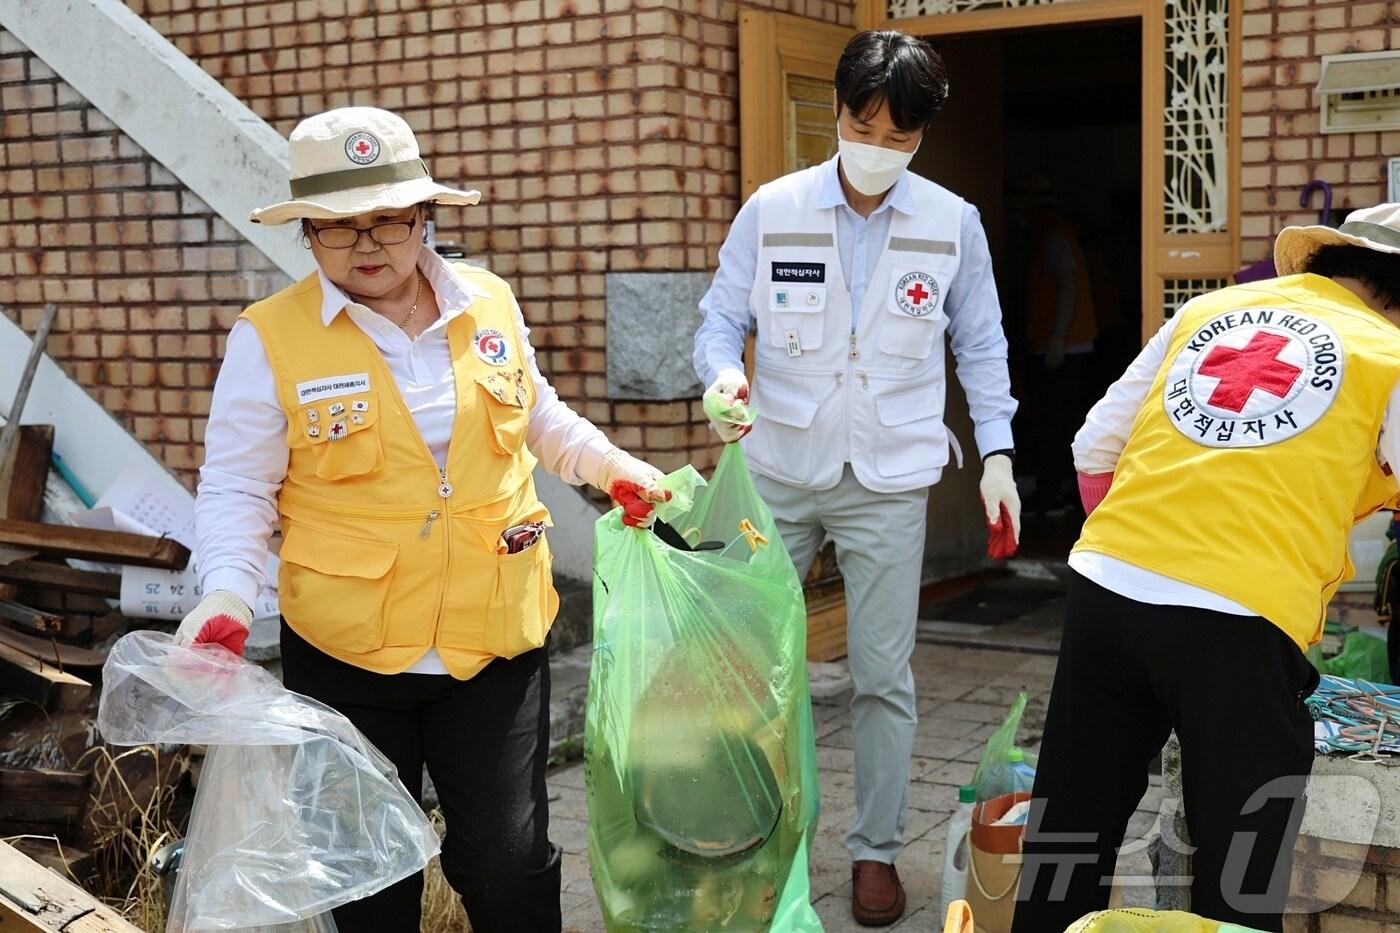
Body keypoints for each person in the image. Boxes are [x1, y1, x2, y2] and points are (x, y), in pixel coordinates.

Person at [173, 107, 667, 932]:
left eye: (389, 219)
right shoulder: (270, 339)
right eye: (338, 228)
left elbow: (541, 418)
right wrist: (225, 590)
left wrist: (610, 467)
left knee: (508, 864)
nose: (367, 244)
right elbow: (235, 487)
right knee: (371, 886)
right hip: (348, 654)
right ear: (307, 234)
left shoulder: (490, 303)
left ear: (423, 215)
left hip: (494, 636)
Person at [693, 30, 1020, 927]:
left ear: (922, 138)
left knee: (882, 673)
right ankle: (760, 841)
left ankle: (875, 851)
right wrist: (724, 376)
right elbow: (721, 318)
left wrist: (997, 454)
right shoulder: (773, 208)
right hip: (781, 467)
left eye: (899, 139)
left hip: (888, 475)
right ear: (836, 113)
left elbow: (981, 345)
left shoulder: (951, 223)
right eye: (863, 126)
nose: (876, 149)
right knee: (755, 667)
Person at [1014, 204, 1400, 932]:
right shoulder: (1388, 350)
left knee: (1069, 826)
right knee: (1243, 868)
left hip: (1107, 588)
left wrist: (1154, 555)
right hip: (1240, 623)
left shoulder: (1211, 310)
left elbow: (1094, 446)